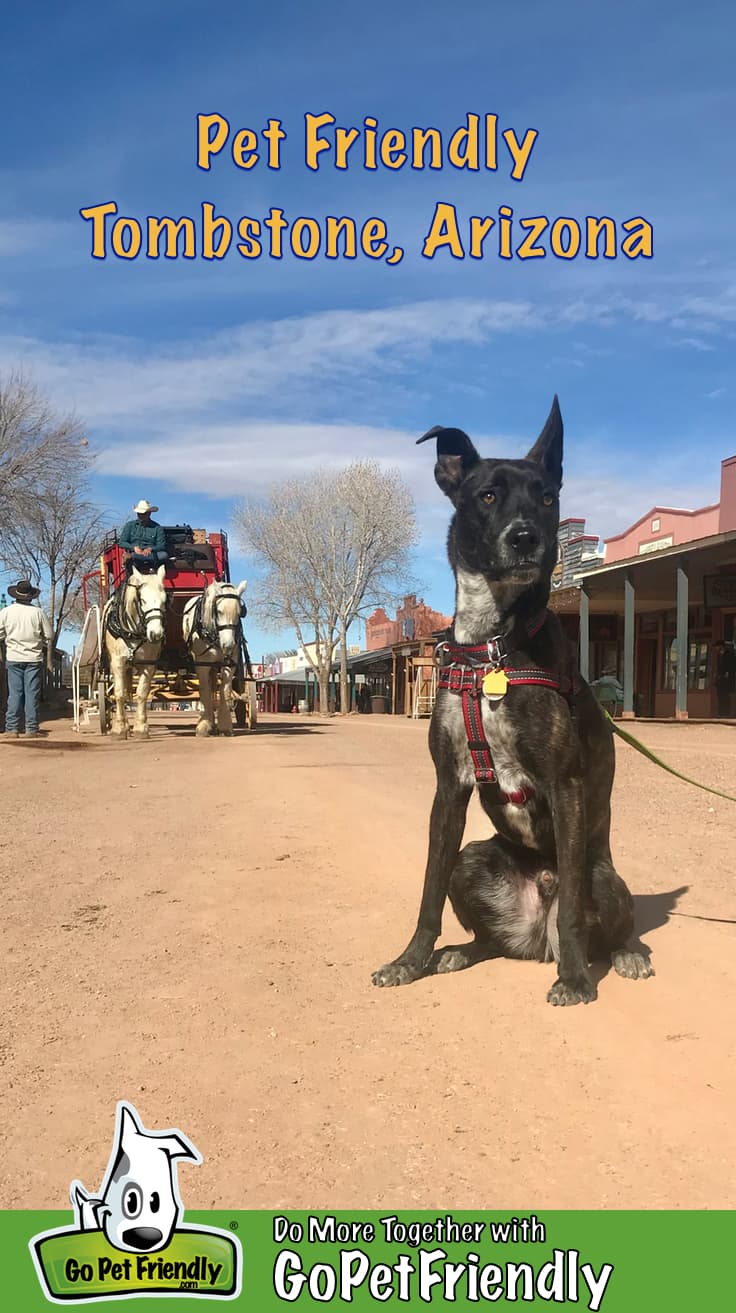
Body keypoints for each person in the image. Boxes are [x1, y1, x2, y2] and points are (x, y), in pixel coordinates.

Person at [0, 579, 53, 738]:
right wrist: (40, 641)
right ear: (30, 596)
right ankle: (31, 728)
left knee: (15, 694)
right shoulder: (38, 613)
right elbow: (49, 635)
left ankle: (12, 728)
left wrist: (7, 638)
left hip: (14, 657)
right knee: (31, 694)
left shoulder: (7, 612)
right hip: (34, 659)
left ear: (16, 595)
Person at [118, 500, 168, 571]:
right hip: (134, 553)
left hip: (152, 554)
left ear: (149, 513)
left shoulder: (157, 528)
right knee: (131, 556)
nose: (140, 516)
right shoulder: (130, 525)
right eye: (139, 513)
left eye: (143, 514)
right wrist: (133, 548)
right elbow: (121, 542)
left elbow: (161, 545)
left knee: (164, 555)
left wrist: (150, 549)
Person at [713, 640, 735, 718]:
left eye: (717, 647)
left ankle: (726, 713)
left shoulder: (729, 655)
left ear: (721, 646)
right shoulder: (719, 656)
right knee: (720, 697)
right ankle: (721, 713)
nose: (716, 649)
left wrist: (727, 674)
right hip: (720, 681)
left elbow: (731, 667)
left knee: (725, 697)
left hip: (727, 680)